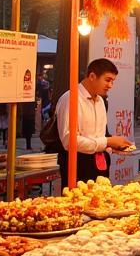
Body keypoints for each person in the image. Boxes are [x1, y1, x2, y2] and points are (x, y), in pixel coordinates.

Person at [54, 58, 133, 189]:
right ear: (92, 76)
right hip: (78, 167)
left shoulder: (101, 101)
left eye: (113, 81)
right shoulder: (70, 99)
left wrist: (112, 147)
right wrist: (107, 142)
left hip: (100, 166)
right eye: (107, 80)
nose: (110, 85)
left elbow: (99, 135)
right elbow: (69, 140)